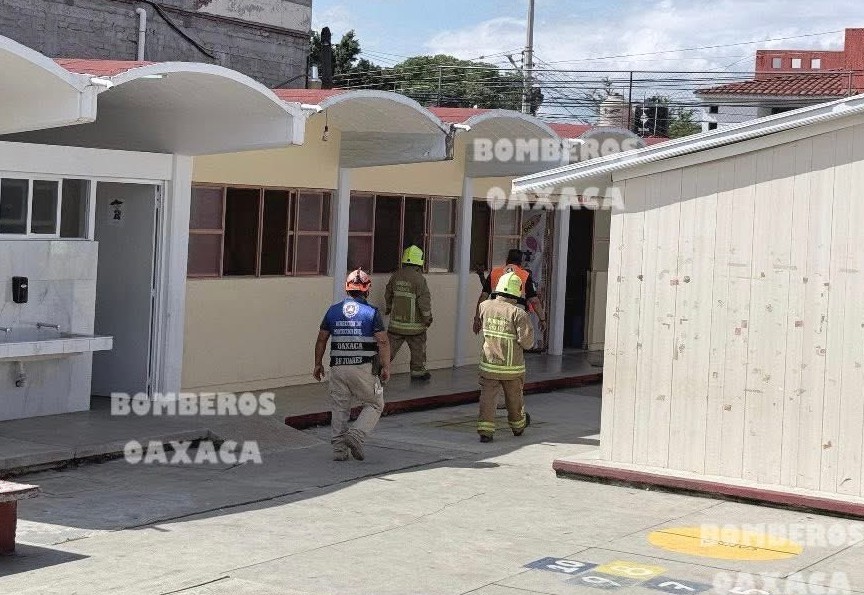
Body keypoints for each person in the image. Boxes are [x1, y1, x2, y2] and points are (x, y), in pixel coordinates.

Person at [314, 269, 391, 461]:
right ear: (367, 290)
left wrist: (317, 364)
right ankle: (356, 435)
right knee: (374, 404)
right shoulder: (371, 312)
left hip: (337, 367)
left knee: (340, 408)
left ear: (347, 289)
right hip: (362, 368)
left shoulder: (333, 310)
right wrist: (386, 367)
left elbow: (322, 339)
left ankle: (339, 451)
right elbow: (382, 341)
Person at [473, 248, 546, 409]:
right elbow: (534, 300)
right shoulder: (523, 275)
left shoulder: (496, 272)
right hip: (515, 318)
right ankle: (511, 399)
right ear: (520, 262)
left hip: (493, 317)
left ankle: (496, 398)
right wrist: (542, 318)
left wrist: (477, 318)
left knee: (493, 354)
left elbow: (484, 295)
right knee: (513, 361)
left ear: (507, 260)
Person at [476, 271, 534, 443]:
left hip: (489, 365)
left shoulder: (484, 306)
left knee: (487, 398)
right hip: (512, 368)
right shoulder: (518, 313)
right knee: (514, 398)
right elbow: (527, 342)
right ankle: (518, 426)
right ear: (518, 292)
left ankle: (485, 431)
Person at [385, 245, 433, 382]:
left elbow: (388, 294)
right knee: (418, 350)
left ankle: (378, 369)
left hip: (396, 325)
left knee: (388, 350)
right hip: (415, 327)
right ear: (420, 262)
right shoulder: (419, 279)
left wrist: (388, 308)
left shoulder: (395, 276)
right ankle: (418, 373)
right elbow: (424, 302)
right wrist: (427, 318)